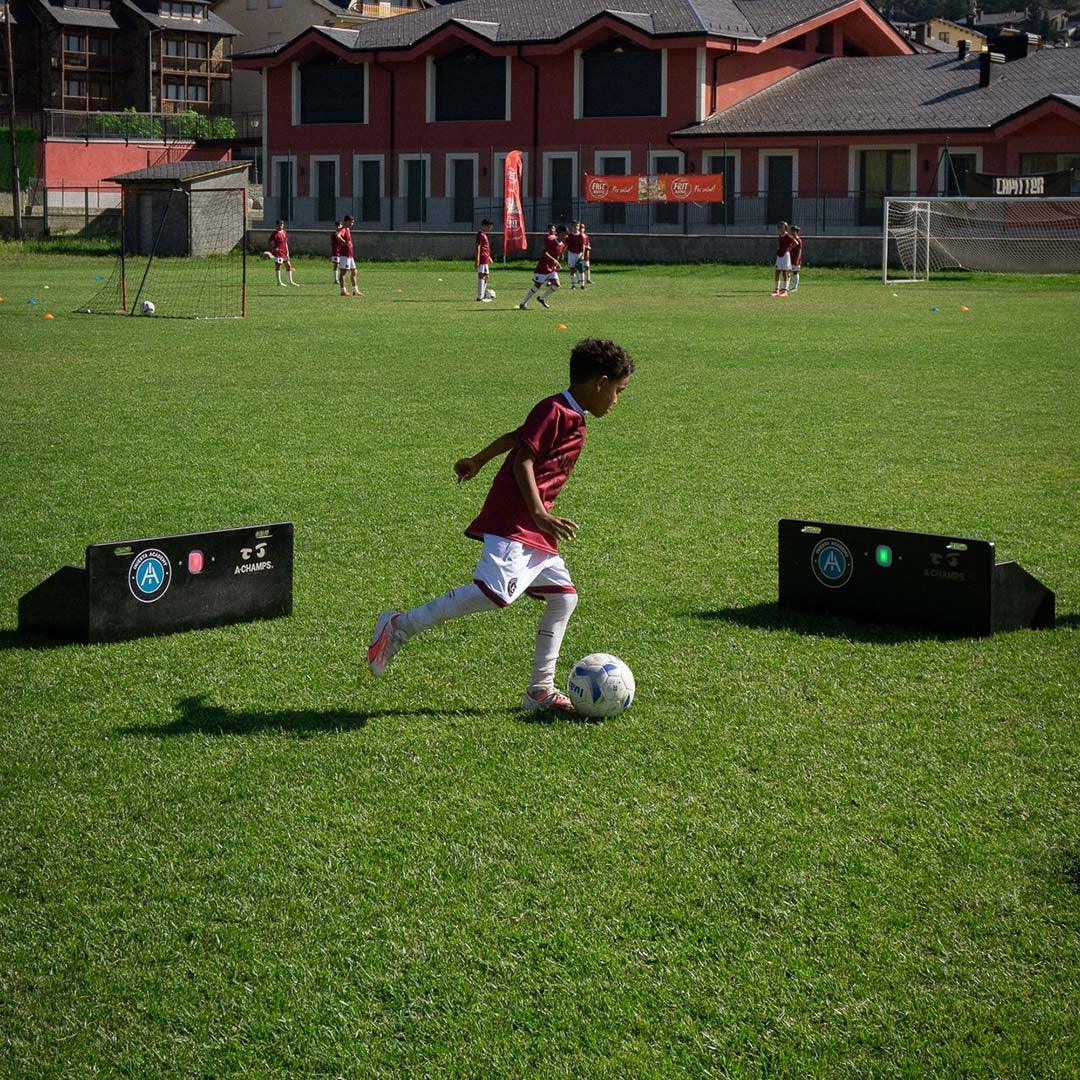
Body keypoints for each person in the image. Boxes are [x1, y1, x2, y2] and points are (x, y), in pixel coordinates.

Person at [367, 338, 636, 712]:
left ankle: (539, 691)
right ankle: (400, 624)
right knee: (495, 594)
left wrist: (478, 459)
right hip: (517, 520)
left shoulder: (567, 413)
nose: (617, 401)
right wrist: (541, 514)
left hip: (533, 526)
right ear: (600, 383)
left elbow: (515, 436)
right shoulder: (555, 410)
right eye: (618, 391)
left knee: (563, 598)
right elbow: (522, 460)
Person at [519, 224, 569, 309]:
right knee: (537, 286)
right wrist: (555, 260)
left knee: (556, 285)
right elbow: (544, 253)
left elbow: (559, 255)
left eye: (566, 234)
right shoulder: (551, 241)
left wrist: (558, 262)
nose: (565, 236)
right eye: (564, 234)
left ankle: (542, 298)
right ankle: (523, 303)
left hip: (552, 268)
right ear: (559, 233)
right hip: (543, 266)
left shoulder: (562, 245)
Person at [269, 220, 299, 287]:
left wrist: (287, 252)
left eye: (282, 224)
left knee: (288, 265)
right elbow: (269, 242)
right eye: (279, 225)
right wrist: (273, 248)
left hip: (284, 252)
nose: (281, 226)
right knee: (278, 265)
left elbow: (285, 243)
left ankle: (290, 281)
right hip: (278, 253)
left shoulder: (284, 232)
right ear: (277, 225)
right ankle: (279, 282)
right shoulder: (274, 233)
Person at [338, 214, 361, 297]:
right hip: (345, 255)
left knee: (354, 271)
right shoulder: (343, 229)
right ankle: (343, 290)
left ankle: (355, 290)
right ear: (347, 221)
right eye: (351, 222)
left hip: (350, 255)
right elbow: (338, 236)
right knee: (343, 273)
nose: (352, 224)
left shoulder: (347, 229)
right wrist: (344, 242)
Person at [475, 217, 494, 302]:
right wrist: (477, 259)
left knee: (486, 276)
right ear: (484, 225)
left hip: (485, 258)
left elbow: (485, 247)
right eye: (489, 227)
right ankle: (480, 296)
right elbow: (478, 246)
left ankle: (482, 294)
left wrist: (489, 257)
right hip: (482, 258)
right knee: (482, 276)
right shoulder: (480, 234)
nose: (490, 229)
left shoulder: (484, 234)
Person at [772, 221, 794, 297]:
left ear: (785, 228)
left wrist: (788, 249)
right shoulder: (780, 236)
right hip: (779, 255)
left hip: (785, 255)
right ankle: (776, 290)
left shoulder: (788, 236)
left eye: (782, 227)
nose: (780, 228)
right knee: (777, 272)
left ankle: (785, 290)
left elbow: (796, 243)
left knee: (785, 272)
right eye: (779, 227)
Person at [565, 222, 586, 289]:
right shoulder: (569, 236)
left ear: (578, 227)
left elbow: (583, 246)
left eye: (577, 226)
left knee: (580, 269)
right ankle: (573, 285)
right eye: (574, 226)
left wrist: (582, 254)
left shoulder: (581, 236)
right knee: (572, 269)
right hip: (571, 254)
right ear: (572, 227)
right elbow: (566, 244)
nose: (575, 227)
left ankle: (582, 284)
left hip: (578, 254)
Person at [789, 225, 803, 293]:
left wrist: (797, 260)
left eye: (793, 231)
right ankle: (786, 287)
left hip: (795, 259)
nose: (791, 232)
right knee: (787, 272)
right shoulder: (791, 239)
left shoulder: (799, 240)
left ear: (797, 232)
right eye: (791, 231)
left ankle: (795, 288)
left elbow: (799, 251)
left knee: (795, 272)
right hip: (789, 259)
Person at [330, 220, 343, 285]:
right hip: (336, 252)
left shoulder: (342, 233)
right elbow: (331, 243)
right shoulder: (334, 234)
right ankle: (336, 279)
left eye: (340, 225)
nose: (339, 227)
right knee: (336, 265)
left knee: (342, 266)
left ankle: (341, 279)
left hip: (342, 252)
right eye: (337, 226)